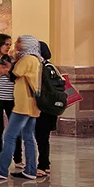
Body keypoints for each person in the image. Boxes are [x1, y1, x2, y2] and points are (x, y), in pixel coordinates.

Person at [0, 36, 43, 180]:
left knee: (9, 136)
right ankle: (30, 170)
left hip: (23, 105)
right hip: (32, 104)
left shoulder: (27, 60)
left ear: (27, 45)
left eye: (18, 42)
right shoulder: (36, 60)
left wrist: (11, 64)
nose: (15, 45)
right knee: (28, 137)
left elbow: (14, 73)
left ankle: (2, 170)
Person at [34, 41, 63, 175]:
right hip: (52, 106)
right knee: (44, 137)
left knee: (40, 136)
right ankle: (45, 164)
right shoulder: (52, 67)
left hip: (43, 106)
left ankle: (42, 164)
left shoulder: (40, 67)